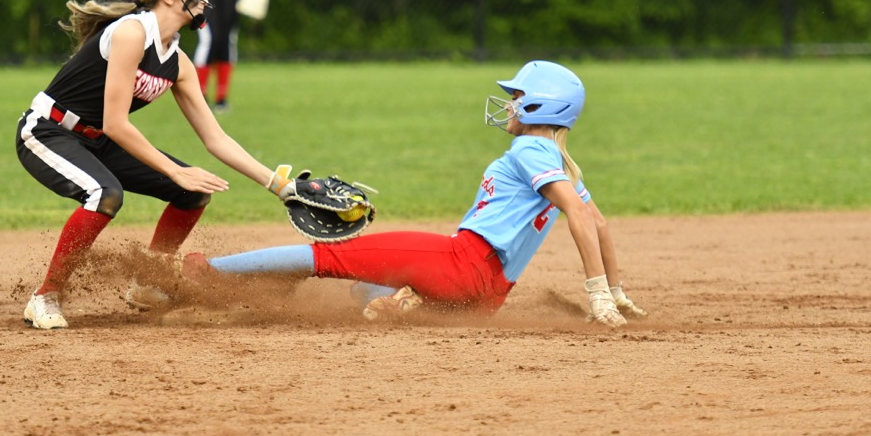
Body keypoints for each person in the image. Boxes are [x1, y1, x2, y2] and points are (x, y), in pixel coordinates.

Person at [187, 61, 647, 327]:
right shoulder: (563, 164)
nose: (509, 103)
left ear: (539, 105)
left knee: (330, 256)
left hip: (462, 265)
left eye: (518, 95)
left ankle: (203, 271)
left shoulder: (529, 148)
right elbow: (599, 223)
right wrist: (616, 291)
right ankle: (404, 305)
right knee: (367, 284)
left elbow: (581, 217)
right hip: (487, 297)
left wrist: (597, 295)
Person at [15, 0, 305, 330]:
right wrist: (173, 170)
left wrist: (281, 187)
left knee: (192, 192)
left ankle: (147, 282)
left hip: (98, 138)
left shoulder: (178, 62)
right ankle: (45, 296)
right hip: (48, 131)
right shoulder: (131, 33)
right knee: (105, 194)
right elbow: (116, 124)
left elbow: (216, 138)